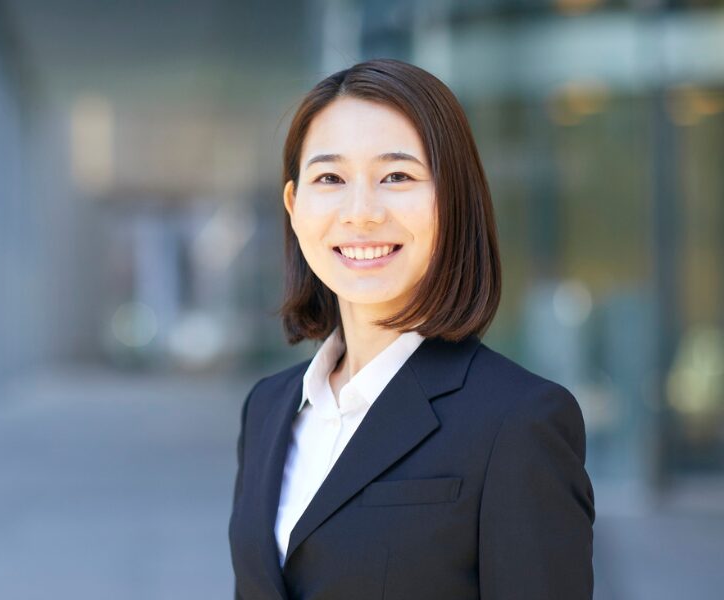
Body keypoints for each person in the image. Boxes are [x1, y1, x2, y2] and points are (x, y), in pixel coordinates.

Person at [228, 58, 595, 600]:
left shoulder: (519, 423)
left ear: (453, 200)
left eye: (396, 176)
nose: (361, 213)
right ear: (293, 205)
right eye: (330, 178)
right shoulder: (268, 409)